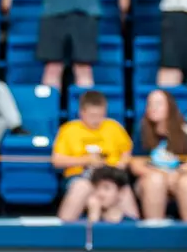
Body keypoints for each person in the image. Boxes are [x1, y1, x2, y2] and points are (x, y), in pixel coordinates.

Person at [52, 89, 134, 220]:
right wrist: (87, 160)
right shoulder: (69, 129)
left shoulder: (114, 127)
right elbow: (57, 161)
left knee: (122, 190)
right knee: (82, 187)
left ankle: (134, 231)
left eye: (100, 115)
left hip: (110, 175)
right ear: (81, 112)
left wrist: (121, 165)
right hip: (80, 176)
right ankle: (64, 230)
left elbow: (126, 151)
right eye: (92, 115)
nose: (96, 120)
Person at [130, 88, 187, 220]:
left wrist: (179, 173)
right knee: (156, 181)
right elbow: (135, 165)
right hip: (149, 179)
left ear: (170, 106)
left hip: (179, 177)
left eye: (158, 104)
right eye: (150, 104)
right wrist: (163, 176)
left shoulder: (185, 127)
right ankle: (155, 230)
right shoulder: (142, 129)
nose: (153, 108)